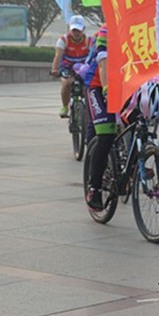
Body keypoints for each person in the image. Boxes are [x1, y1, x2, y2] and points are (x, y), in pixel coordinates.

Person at [84, 23, 113, 211]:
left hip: (126, 86)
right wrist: (106, 89)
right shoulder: (106, 29)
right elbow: (103, 63)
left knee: (139, 124)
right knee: (106, 136)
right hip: (99, 86)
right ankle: (94, 188)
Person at [51, 14, 90, 118]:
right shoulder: (63, 40)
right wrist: (54, 69)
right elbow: (58, 56)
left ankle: (87, 107)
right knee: (66, 83)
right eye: (74, 30)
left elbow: (94, 56)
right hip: (67, 67)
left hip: (83, 68)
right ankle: (65, 106)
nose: (76, 33)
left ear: (83, 29)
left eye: (79, 30)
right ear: (70, 29)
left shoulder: (89, 40)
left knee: (88, 86)